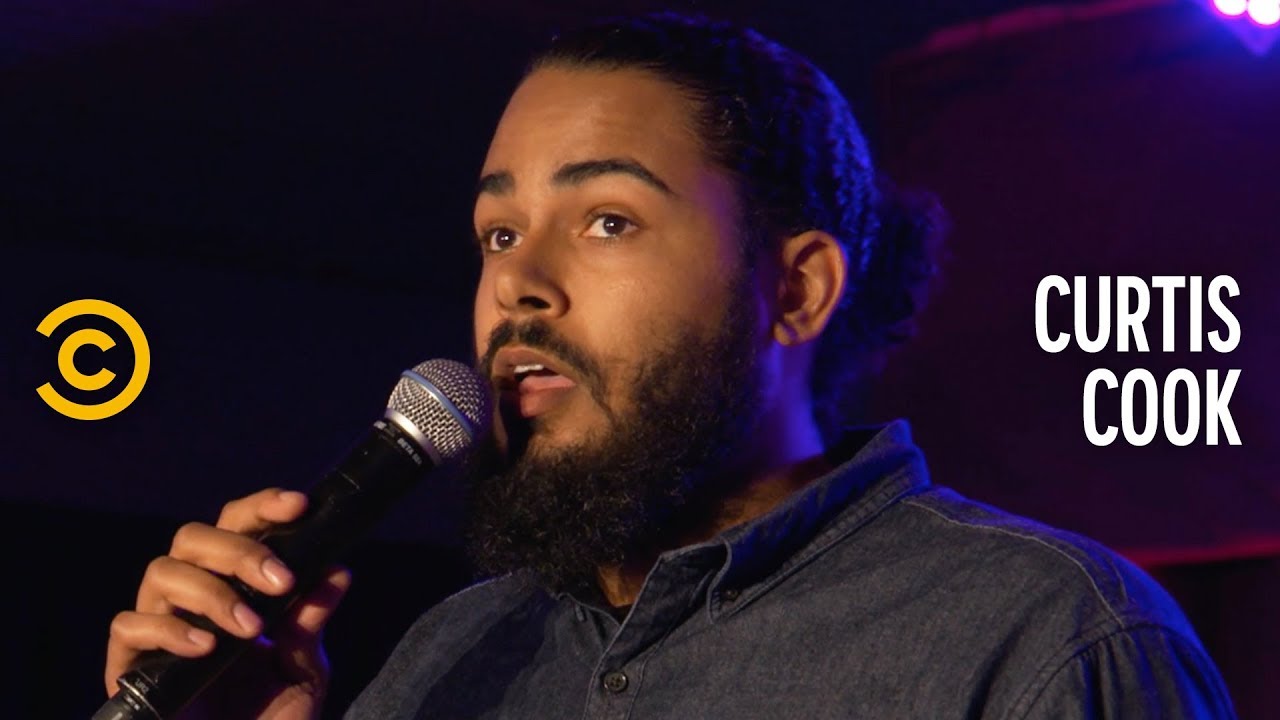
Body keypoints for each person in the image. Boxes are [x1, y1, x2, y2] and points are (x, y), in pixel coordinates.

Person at [104, 13, 1236, 719]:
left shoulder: (1044, 635)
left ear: (794, 290)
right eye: (497, 233)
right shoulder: (446, 657)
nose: (516, 285)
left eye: (605, 221)